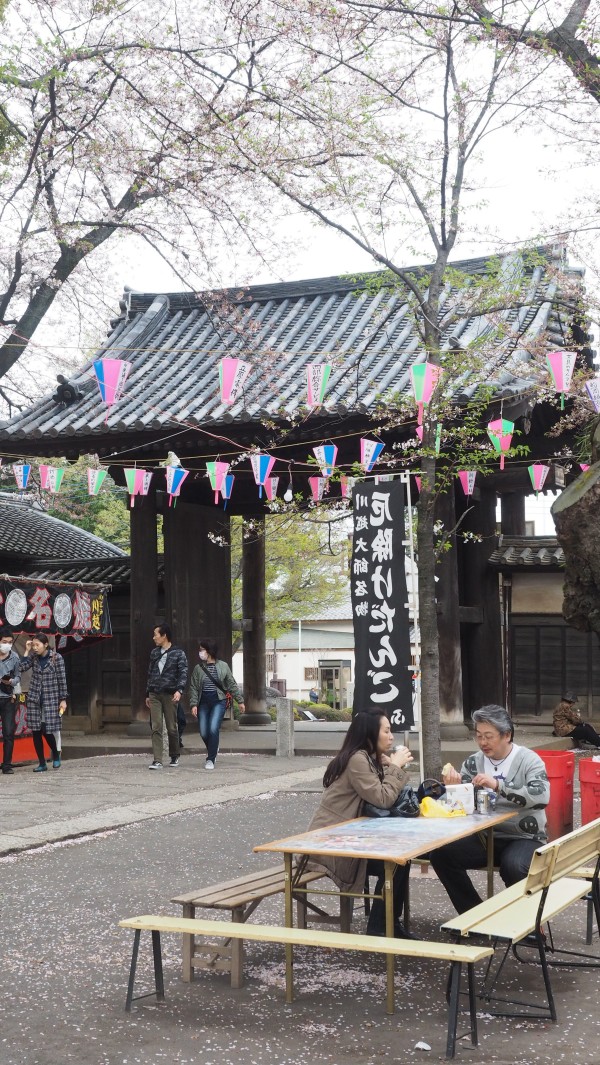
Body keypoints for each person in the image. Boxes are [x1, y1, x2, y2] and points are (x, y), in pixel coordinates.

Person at [430, 704, 550, 914]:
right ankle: (474, 915)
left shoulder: (529, 760)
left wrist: (498, 785)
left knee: (513, 866)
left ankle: (528, 922)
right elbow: (463, 807)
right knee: (442, 855)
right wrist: (454, 787)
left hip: (524, 836)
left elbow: (541, 797)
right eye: (478, 736)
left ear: (506, 735)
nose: (482, 742)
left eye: (488, 736)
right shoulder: (473, 762)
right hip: (485, 837)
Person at [307, 709, 415, 938]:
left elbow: (385, 794)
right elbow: (383, 799)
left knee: (400, 860)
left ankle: (387, 923)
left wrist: (387, 766)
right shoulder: (357, 759)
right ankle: (381, 926)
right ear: (370, 734)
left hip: (349, 840)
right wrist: (395, 767)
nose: (392, 736)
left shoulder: (366, 758)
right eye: (386, 731)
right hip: (330, 845)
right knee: (395, 862)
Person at [189, 638, 245, 770]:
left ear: (209, 651)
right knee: (203, 731)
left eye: (202, 649)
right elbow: (193, 687)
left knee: (213, 728)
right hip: (203, 701)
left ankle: (211, 758)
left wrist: (240, 701)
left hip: (218, 701)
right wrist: (193, 704)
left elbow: (231, 684)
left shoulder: (223, 666)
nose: (200, 652)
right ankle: (213, 747)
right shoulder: (198, 668)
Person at [19, 634, 67, 772]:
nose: (35, 648)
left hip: (50, 699)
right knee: (36, 731)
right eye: (33, 645)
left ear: (45, 644)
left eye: (37, 645)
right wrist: (27, 651)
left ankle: (56, 755)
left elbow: (62, 679)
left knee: (46, 729)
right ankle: (42, 763)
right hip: (34, 699)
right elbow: (21, 667)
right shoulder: (33, 657)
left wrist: (63, 699)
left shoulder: (56, 658)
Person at [145, 624, 188, 770]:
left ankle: (174, 754)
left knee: (171, 727)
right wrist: (147, 693)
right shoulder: (154, 653)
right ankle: (157, 760)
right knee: (156, 726)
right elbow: (150, 673)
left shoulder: (178, 653)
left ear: (164, 636)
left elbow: (183, 673)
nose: (153, 637)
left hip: (170, 694)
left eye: (156, 634)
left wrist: (179, 690)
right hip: (155, 693)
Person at [0, 630, 21, 775]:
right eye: (4, 642)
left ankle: (7, 765)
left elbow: (18, 675)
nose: (7, 645)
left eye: (9, 642)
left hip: (8, 698)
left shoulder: (14, 657)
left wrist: (11, 681)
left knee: (8, 732)